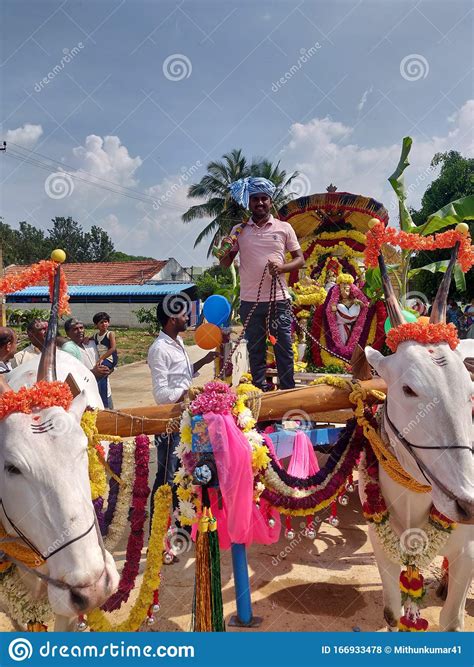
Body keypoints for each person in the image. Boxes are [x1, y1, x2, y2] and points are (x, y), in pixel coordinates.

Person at [218, 176, 304, 390]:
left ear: (270, 201)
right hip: (249, 301)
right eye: (255, 199)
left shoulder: (284, 228)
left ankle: (288, 392)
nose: (260, 203)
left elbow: (300, 259)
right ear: (249, 202)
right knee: (255, 349)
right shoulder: (239, 230)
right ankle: (258, 391)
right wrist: (224, 248)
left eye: (264, 198)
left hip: (279, 299)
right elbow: (224, 263)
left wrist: (282, 268)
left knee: (283, 347)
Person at [147, 296, 215, 557]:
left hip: (186, 421)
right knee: (165, 479)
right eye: (185, 315)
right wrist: (190, 390)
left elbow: (183, 376)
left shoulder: (177, 342)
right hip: (169, 425)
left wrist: (204, 362)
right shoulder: (159, 349)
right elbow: (162, 395)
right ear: (172, 317)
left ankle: (180, 527)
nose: (189, 318)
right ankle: (160, 536)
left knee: (183, 477)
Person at [61, 318, 111, 389]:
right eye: (75, 329)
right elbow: (71, 374)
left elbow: (109, 356)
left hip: (104, 388)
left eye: (81, 328)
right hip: (86, 391)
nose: (80, 331)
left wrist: (109, 368)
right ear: (68, 333)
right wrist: (92, 373)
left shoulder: (92, 343)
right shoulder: (68, 350)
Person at [92, 312, 118, 409]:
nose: (104, 324)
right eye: (101, 322)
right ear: (96, 325)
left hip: (110, 359)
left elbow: (113, 348)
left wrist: (101, 358)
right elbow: (89, 338)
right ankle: (100, 401)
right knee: (98, 376)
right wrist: (86, 339)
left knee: (102, 374)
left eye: (106, 322)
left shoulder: (110, 334)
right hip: (102, 360)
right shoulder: (96, 335)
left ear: (109, 323)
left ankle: (105, 405)